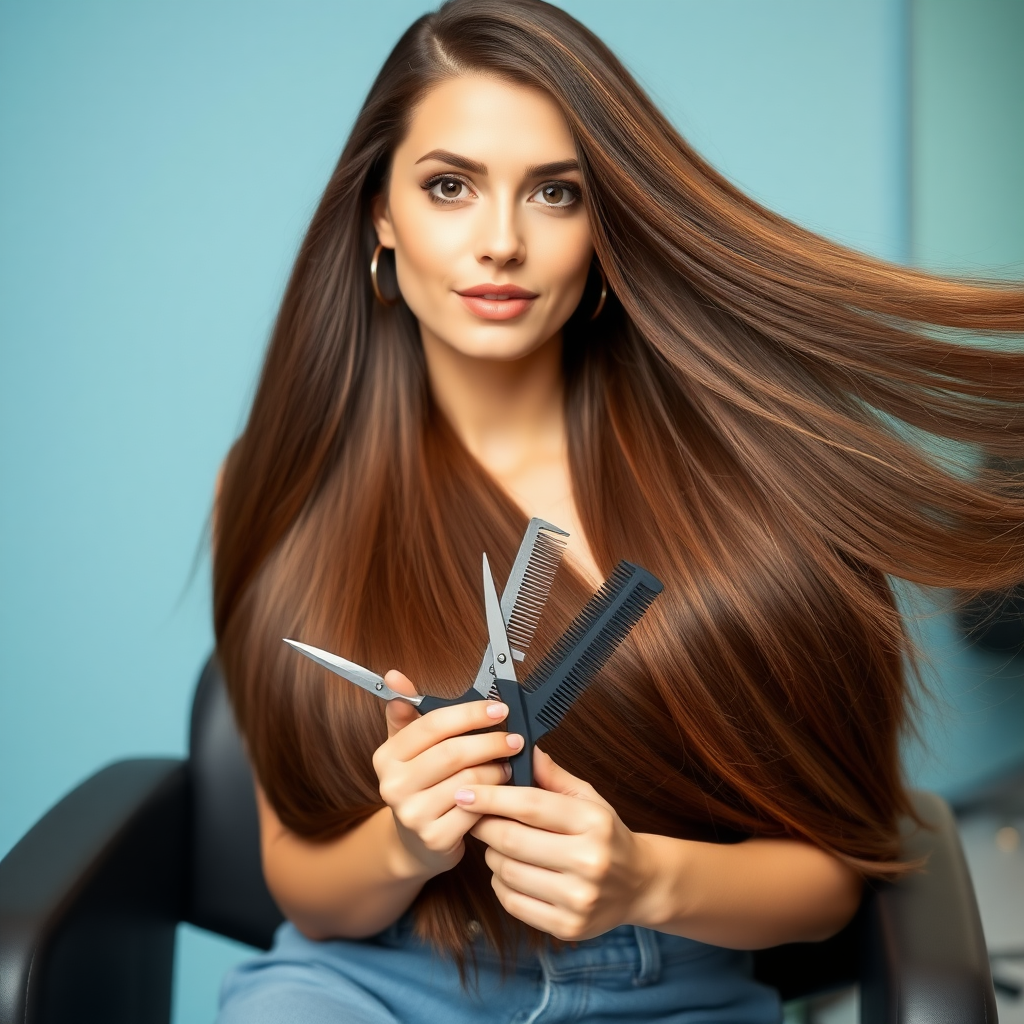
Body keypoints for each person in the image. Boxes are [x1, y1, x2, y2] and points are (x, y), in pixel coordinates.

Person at [211, 2, 1024, 1021]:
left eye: (555, 193)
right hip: (370, 980)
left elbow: (834, 880)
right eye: (450, 186)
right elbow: (304, 888)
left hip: (668, 990)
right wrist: (405, 842)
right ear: (380, 212)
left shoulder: (747, 484)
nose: (500, 242)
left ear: (605, 226)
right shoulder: (272, 482)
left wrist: (645, 879)